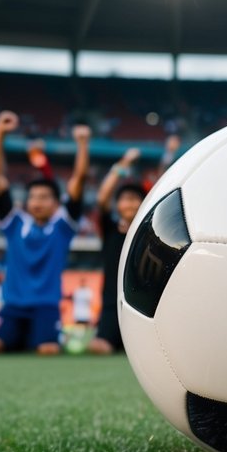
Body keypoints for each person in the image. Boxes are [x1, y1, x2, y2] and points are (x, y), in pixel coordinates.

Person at [0, 111, 89, 354]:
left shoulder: (63, 226)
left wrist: (82, 144)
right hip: (12, 306)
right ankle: (19, 337)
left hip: (46, 306)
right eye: (32, 197)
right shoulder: (14, 222)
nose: (37, 201)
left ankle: (40, 337)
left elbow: (79, 179)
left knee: (47, 350)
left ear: (56, 203)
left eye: (44, 197)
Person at [88, 144, 145, 355]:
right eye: (124, 199)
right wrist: (124, 164)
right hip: (112, 305)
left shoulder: (147, 233)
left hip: (142, 307)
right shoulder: (110, 229)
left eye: (134, 199)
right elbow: (102, 198)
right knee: (98, 347)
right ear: (118, 204)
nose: (129, 203)